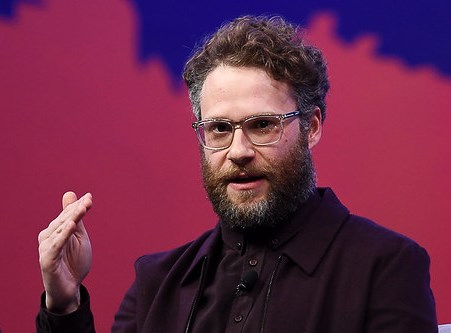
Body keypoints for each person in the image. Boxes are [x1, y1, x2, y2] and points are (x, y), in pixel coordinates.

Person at [36, 15, 437, 333]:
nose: (239, 151)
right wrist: (65, 305)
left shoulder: (386, 266)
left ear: (312, 127)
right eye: (220, 129)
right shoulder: (156, 283)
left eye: (263, 125)